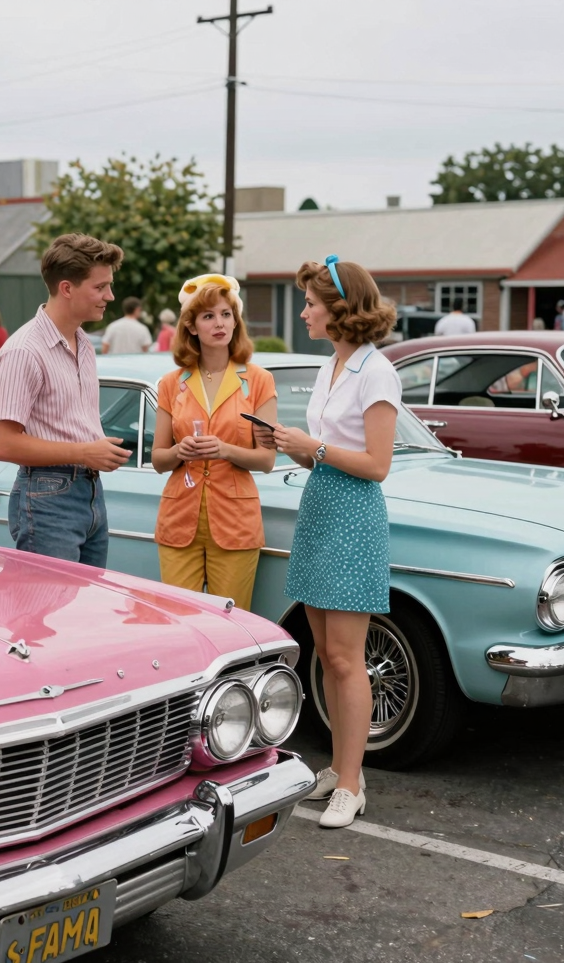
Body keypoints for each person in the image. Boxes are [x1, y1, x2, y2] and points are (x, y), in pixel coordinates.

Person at [264, 255, 400, 829]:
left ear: (340, 310)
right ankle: (346, 770)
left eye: (312, 304)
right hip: (320, 507)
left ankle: (350, 784)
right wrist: (293, 445)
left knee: (348, 660)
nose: (304, 312)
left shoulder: (376, 371)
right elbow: (325, 446)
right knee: (325, 653)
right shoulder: (332, 366)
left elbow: (378, 464)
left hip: (354, 514)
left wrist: (313, 448)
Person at [0, 233, 131, 566]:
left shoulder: (84, 341)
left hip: (89, 492)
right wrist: (85, 452)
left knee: (85, 611)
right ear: (67, 288)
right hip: (48, 496)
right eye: (100, 287)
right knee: (46, 612)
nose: (110, 296)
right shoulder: (24, 351)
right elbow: (2, 444)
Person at [150, 274, 277, 612]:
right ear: (192, 327)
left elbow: (266, 460)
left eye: (226, 314)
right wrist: (179, 452)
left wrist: (225, 450)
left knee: (232, 623)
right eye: (208, 316)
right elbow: (158, 459)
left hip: (236, 522)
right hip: (179, 519)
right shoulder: (170, 383)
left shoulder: (259, 380)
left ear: (236, 321)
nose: (219, 323)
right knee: (180, 621)